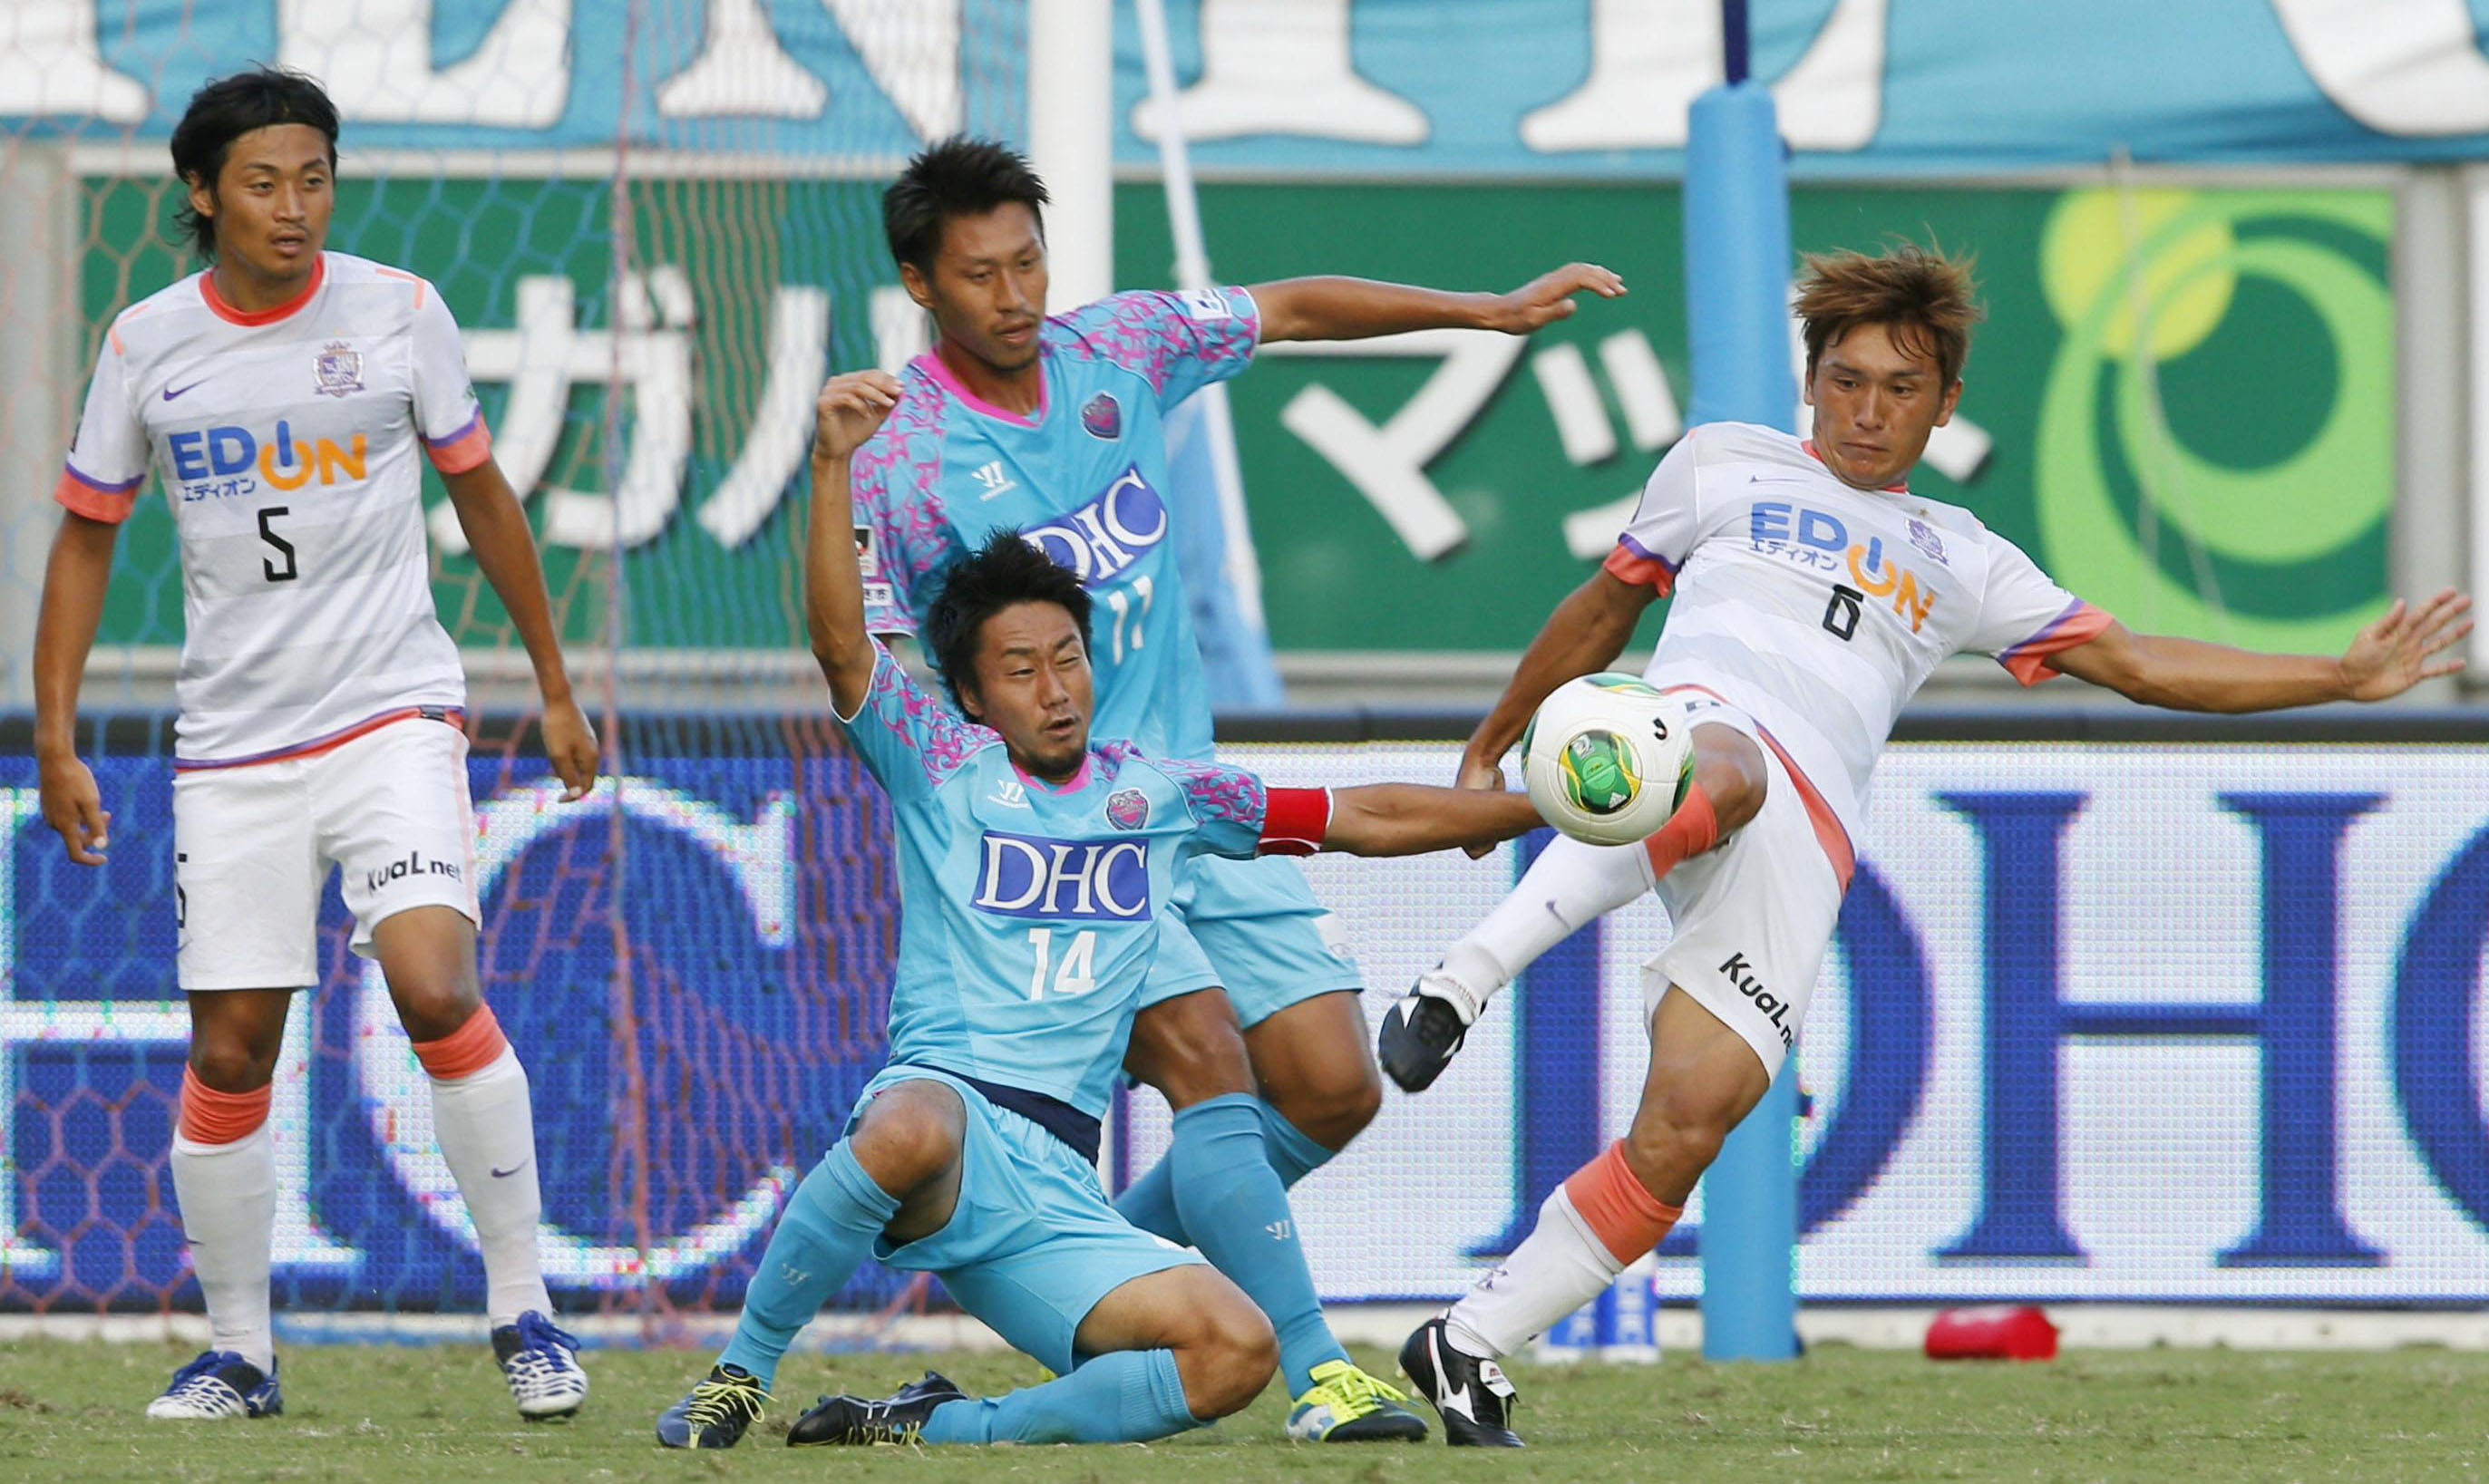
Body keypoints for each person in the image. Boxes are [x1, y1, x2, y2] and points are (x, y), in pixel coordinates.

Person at [1379, 242, 2474, 1446]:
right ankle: (1456, 983)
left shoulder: (1963, 558)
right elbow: (1603, 607)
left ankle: (1468, 1341)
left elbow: (2144, 666)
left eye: (1901, 389)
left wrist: (2335, 673)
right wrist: (1489, 743)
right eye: (1846, 380)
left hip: (1806, 841)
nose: (1868, 410)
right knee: (1724, 770)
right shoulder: (1719, 465)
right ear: (1809, 382)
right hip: (1699, 737)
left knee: (1690, 1122)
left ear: (1946, 404)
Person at [847, 135, 1624, 1440]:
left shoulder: (1123, 349)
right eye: (980, 274)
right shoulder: (899, 457)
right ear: (922, 286)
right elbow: (864, 653)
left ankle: (1097, 1286)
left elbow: (1296, 306)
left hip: (1191, 801)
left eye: (1029, 260)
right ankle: (1319, 1373)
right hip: (1068, 835)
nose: (1015, 294)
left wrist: (1484, 314)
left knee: (1328, 1087)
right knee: (1209, 1060)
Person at [654, 368, 1545, 1450]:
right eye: (1020, 670)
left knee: (1236, 1350)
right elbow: (844, 647)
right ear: (973, 695)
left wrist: (1522, 805)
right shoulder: (938, 765)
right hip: (946, 1128)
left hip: (1058, 1189)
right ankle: (738, 1375)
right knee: (912, 1120)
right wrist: (833, 463)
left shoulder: (1161, 792)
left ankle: (932, 1427)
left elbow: (1355, 808)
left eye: (1067, 658)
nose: (1055, 687)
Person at [30, 67, 600, 1422]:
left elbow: (483, 489)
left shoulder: (401, 312)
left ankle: (523, 1310)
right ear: (203, 194)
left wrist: (554, 681)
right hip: (233, 747)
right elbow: (86, 538)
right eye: (266, 182)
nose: (296, 208)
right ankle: (240, 1350)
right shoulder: (145, 344)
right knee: (232, 1053)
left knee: (435, 984)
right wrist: (55, 737)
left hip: (391, 713)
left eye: (315, 178)